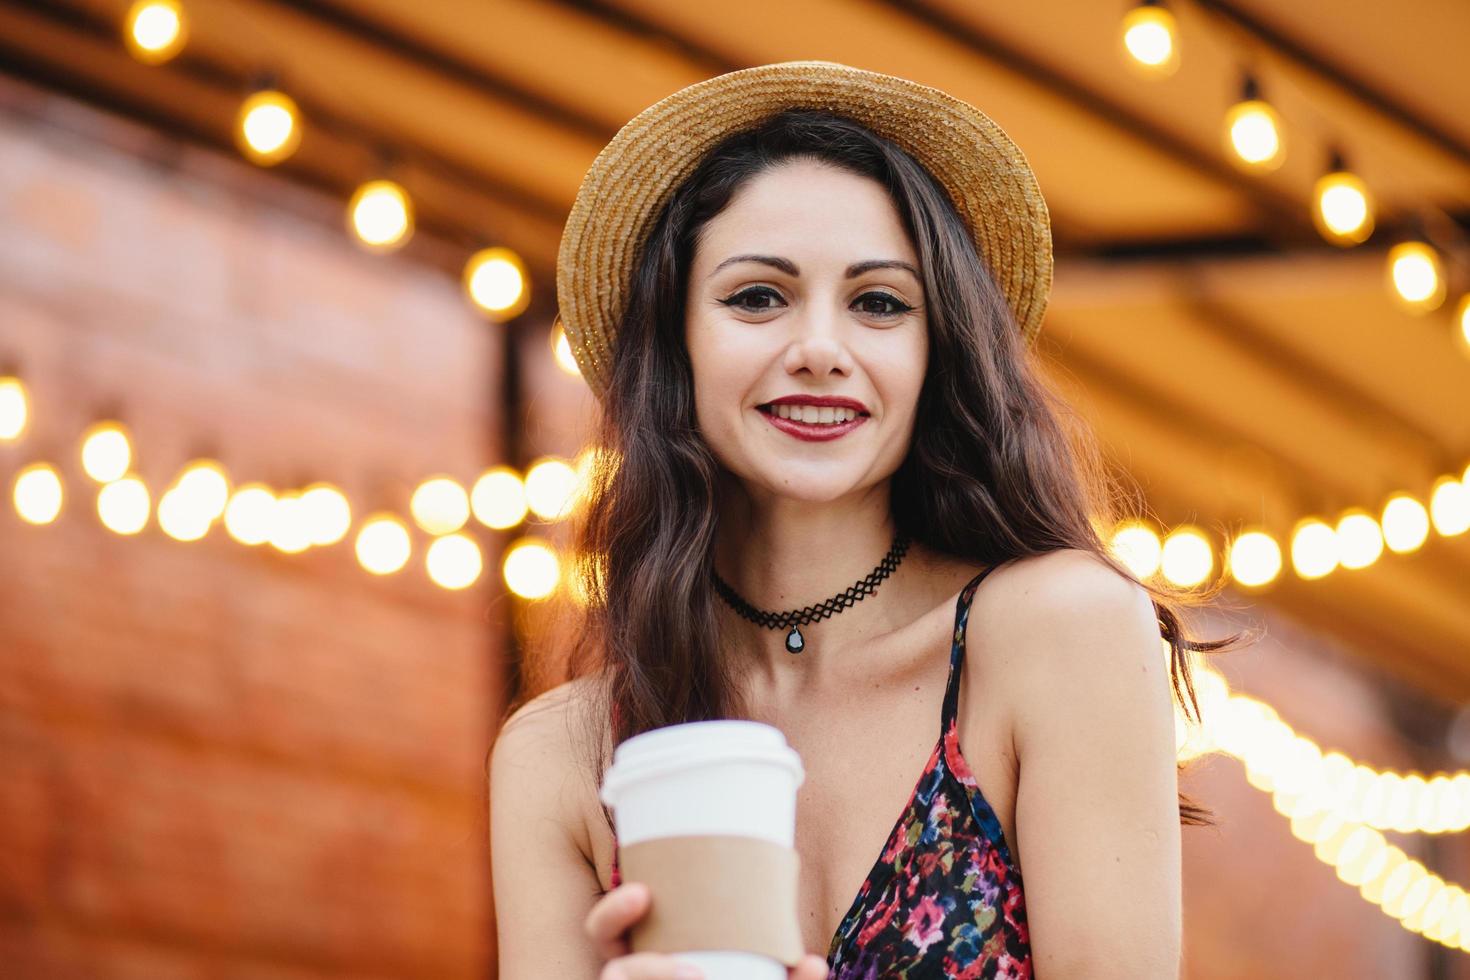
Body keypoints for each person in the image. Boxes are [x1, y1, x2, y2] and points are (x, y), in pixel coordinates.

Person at [490, 61, 1240, 980]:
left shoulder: (1060, 630)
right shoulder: (559, 758)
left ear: (938, 352)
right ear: (676, 344)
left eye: (879, 303)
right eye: (756, 297)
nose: (818, 349)